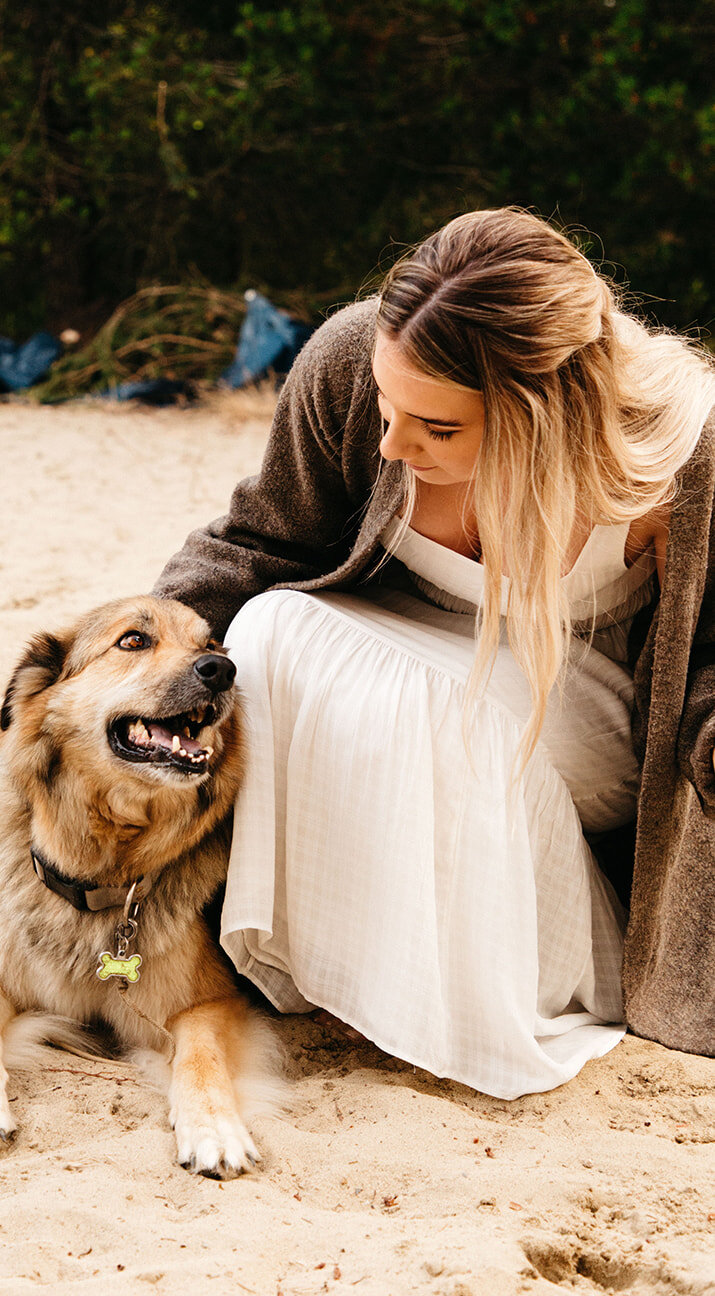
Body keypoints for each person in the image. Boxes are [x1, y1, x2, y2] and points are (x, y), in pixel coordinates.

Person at [153, 208, 715, 1098]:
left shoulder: (684, 459)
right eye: (386, 406)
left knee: (419, 696)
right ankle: (342, 964)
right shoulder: (347, 358)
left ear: (548, 419)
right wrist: (126, 672)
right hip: (425, 677)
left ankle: (497, 977)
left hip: (592, 735)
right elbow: (256, 546)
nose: (391, 444)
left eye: (438, 430)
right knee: (266, 629)